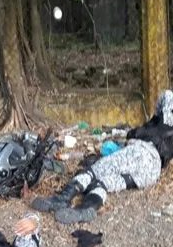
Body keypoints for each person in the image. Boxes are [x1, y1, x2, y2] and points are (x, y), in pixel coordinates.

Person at [33, 89, 173, 224]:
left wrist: (154, 118)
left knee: (91, 171)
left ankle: (62, 198)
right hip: (151, 173)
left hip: (142, 153)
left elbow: (166, 96)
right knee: (103, 183)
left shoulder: (164, 120)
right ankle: (87, 208)